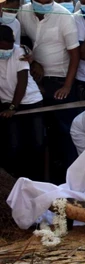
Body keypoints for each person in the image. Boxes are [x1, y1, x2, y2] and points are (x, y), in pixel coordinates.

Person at [18, 0, 80, 104]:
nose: (43, 5)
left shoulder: (65, 17)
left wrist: (67, 87)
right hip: (33, 77)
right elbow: (23, 40)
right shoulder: (23, 12)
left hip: (59, 79)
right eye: (38, 1)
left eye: (47, 2)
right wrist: (33, 61)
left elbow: (75, 55)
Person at [0, 24, 44, 180]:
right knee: (13, 144)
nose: (8, 52)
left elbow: (22, 82)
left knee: (37, 143)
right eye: (4, 49)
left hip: (30, 101)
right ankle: (14, 180)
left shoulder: (19, 52)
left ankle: (37, 179)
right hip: (7, 103)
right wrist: (9, 107)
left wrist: (13, 107)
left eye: (10, 47)